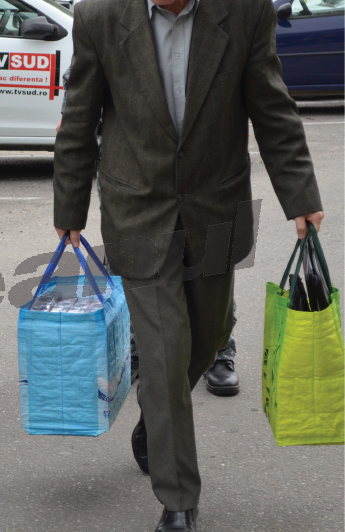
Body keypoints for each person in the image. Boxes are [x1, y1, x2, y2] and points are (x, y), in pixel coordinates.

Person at [54, 0, 324, 528]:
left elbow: (272, 108)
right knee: (163, 353)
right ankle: (178, 500)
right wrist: (70, 207)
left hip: (216, 206)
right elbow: (79, 116)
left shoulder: (244, 12)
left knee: (210, 333)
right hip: (137, 208)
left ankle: (156, 418)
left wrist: (301, 196)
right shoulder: (99, 16)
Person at [58, 66, 240, 395]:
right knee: (131, 258)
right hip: (127, 165)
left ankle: (217, 350)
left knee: (206, 254)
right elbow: (77, 102)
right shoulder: (107, 32)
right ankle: (136, 349)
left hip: (198, 160)